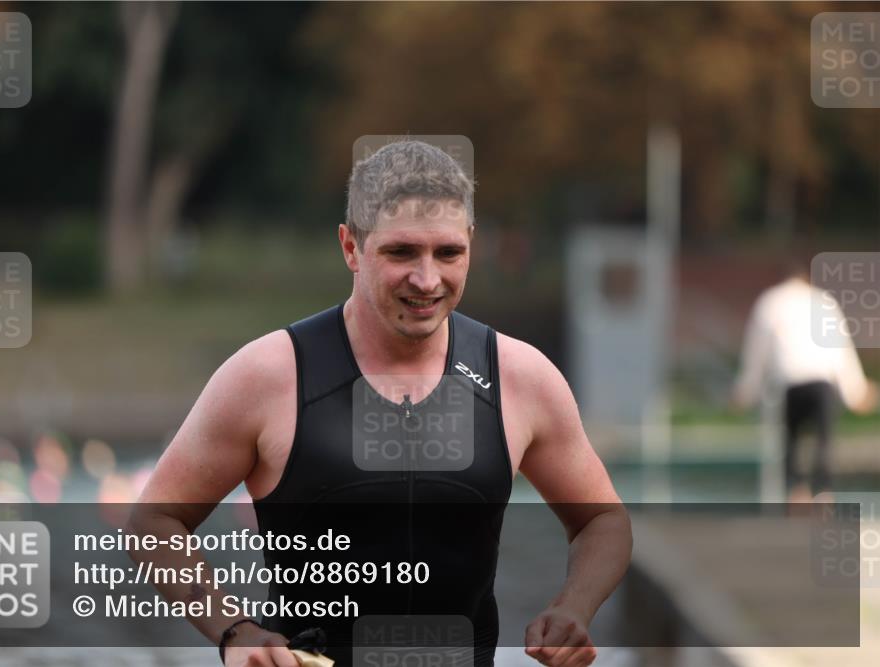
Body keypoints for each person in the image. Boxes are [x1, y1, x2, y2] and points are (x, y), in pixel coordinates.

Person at [131, 140, 632, 667]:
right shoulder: (267, 376)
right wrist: (233, 630)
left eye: (448, 252)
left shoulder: (520, 378)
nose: (427, 279)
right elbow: (155, 518)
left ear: (471, 245)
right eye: (401, 252)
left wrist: (574, 608)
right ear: (351, 247)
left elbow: (603, 520)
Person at [732, 263, 878, 502]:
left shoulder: (770, 302)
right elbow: (841, 350)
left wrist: (745, 391)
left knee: (791, 440)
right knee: (824, 440)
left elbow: (756, 353)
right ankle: (823, 495)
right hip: (822, 383)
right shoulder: (822, 302)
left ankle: (796, 493)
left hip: (790, 384)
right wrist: (856, 391)